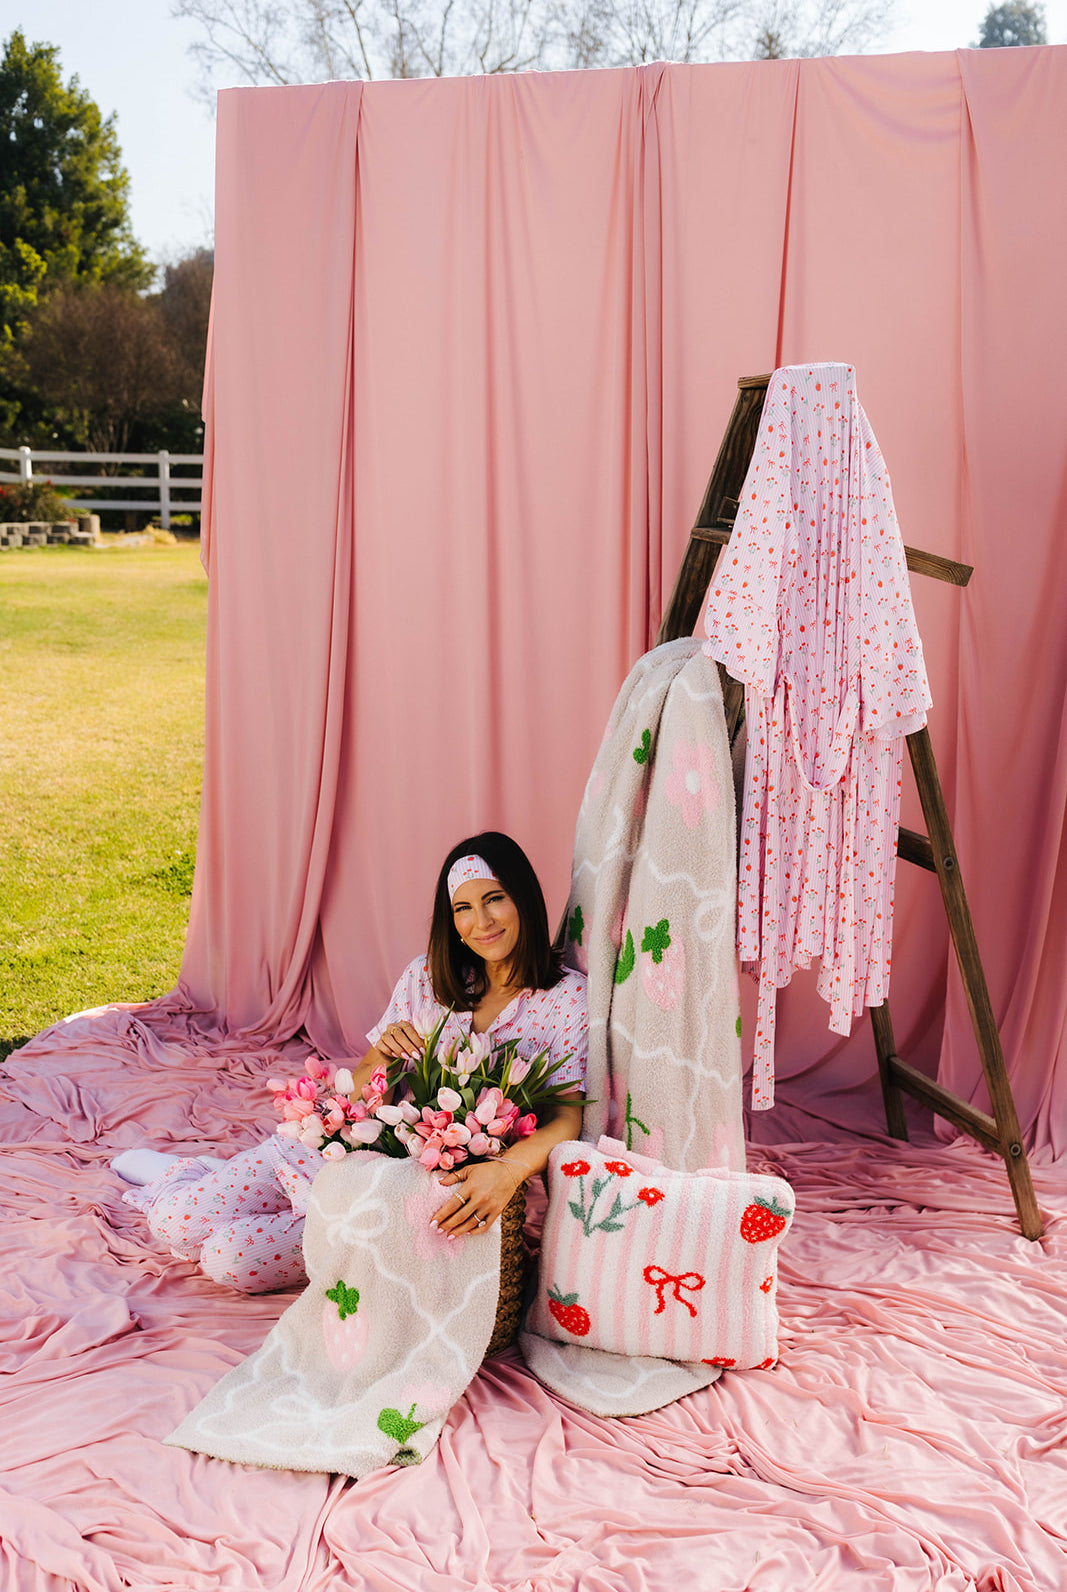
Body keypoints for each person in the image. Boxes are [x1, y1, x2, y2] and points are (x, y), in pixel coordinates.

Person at [114, 832, 586, 1292]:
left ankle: (235, 1192)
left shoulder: (566, 999)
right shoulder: (427, 980)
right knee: (174, 1222)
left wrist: (508, 1170)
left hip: (402, 1199)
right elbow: (359, 1089)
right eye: (463, 908)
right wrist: (383, 1055)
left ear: (523, 897)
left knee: (232, 1260)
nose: (481, 921)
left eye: (495, 899)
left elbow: (567, 1114)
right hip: (341, 1158)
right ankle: (188, 1176)